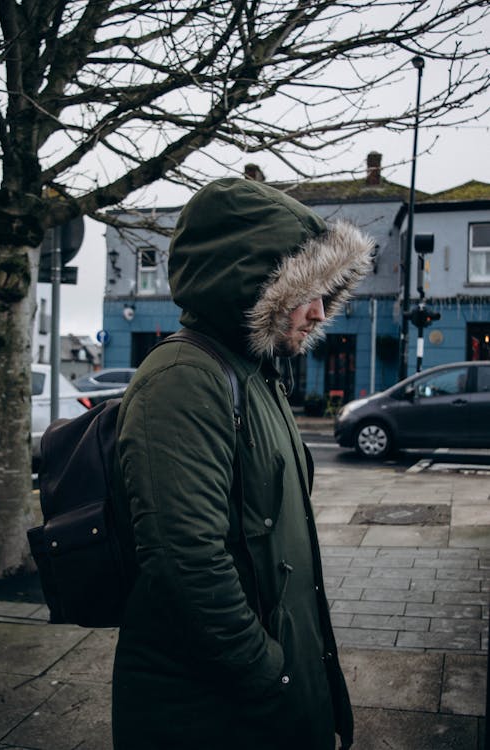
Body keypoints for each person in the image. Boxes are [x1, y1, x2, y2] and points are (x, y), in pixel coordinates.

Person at [112, 177, 373, 750]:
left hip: (269, 699)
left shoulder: (256, 374)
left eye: (326, 290)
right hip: (216, 711)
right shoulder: (186, 378)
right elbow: (186, 562)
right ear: (250, 285)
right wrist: (268, 673)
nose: (317, 311)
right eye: (302, 289)